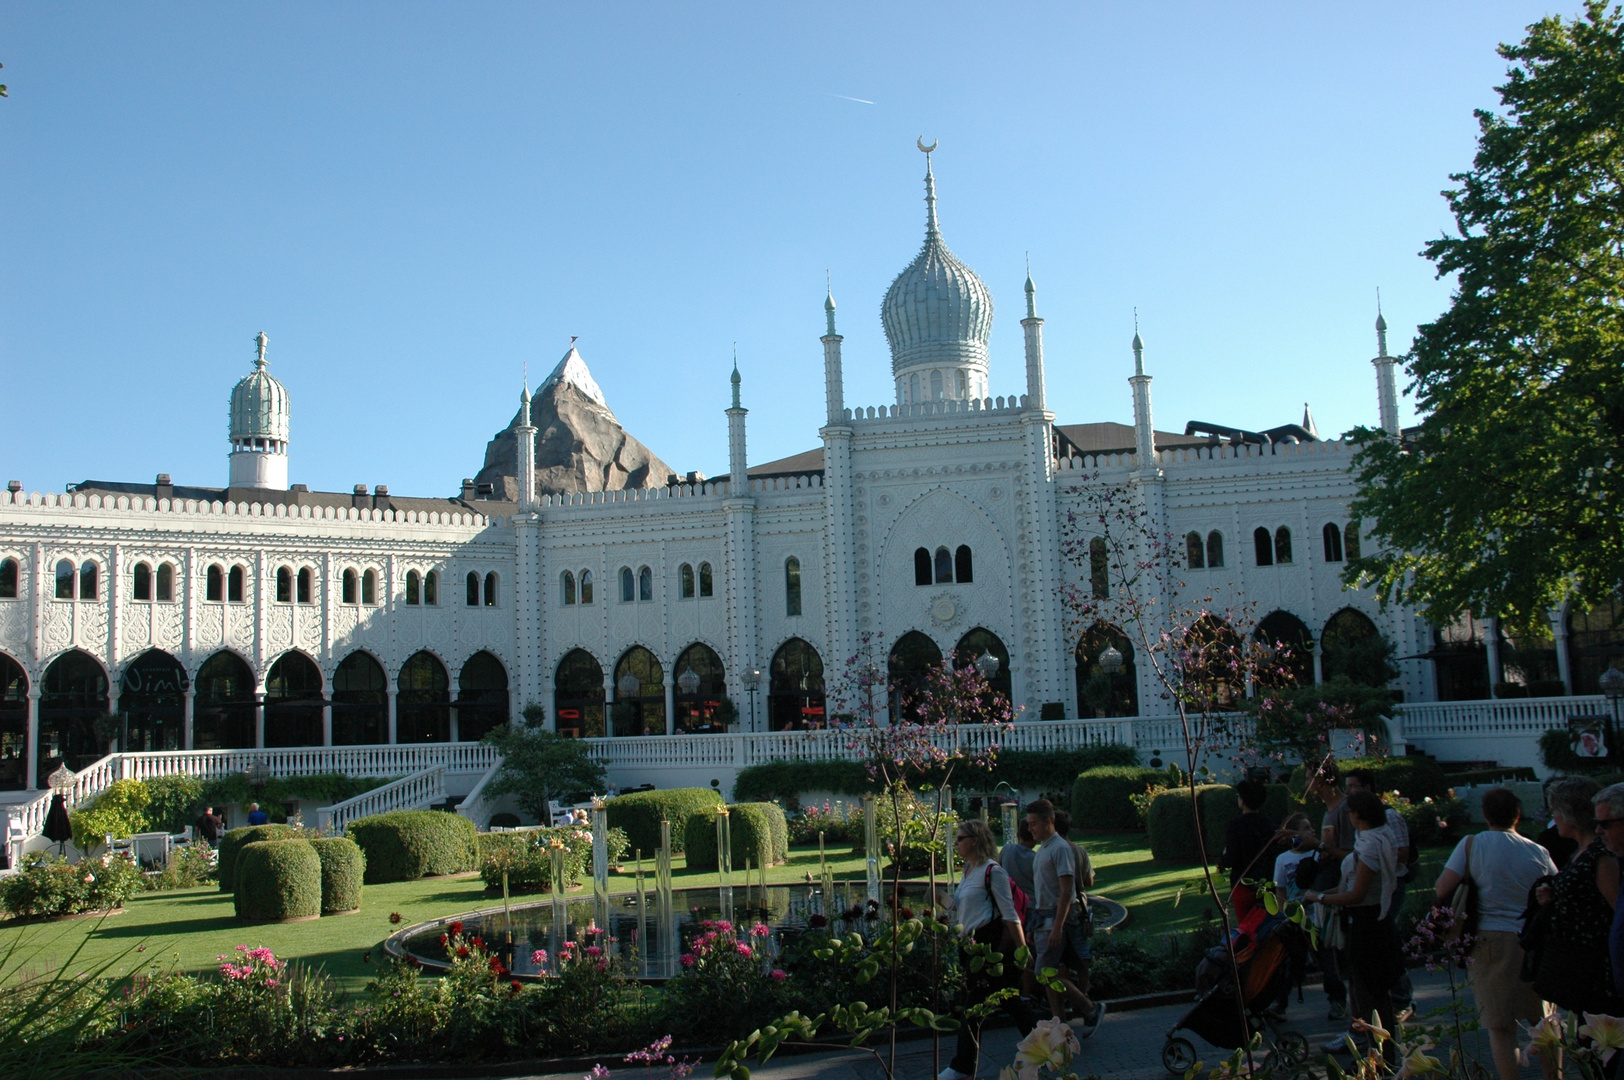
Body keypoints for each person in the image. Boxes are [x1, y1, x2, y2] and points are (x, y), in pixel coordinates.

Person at [1433, 787, 1558, 1080]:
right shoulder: (1537, 850)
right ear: (1517, 815)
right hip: (1531, 941)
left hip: (1488, 941)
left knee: (1501, 1028)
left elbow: (1442, 888)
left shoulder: (1471, 845)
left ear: (1485, 815)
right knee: (1545, 1023)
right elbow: (1555, 889)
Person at [1302, 789, 1404, 1061]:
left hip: (1368, 923)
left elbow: (1358, 893)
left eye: (1350, 811)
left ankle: (1382, 1057)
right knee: (1365, 994)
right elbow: (1349, 884)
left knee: (1372, 996)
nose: (1348, 815)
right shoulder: (1374, 837)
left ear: (1359, 815)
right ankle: (1374, 1054)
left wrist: (1321, 897)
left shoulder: (1372, 844)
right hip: (1367, 922)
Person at [937, 819, 1036, 1080]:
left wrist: (1023, 950)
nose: (956, 843)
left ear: (975, 840)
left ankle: (962, 1066)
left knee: (972, 1006)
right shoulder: (969, 870)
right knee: (1009, 1001)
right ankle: (1045, 1044)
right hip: (969, 947)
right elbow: (964, 908)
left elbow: (1010, 915)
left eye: (960, 839)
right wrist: (941, 901)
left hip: (987, 949)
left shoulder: (993, 871)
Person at [1533, 777, 1622, 1015]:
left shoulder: (1600, 855)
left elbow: (1617, 908)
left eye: (1556, 812)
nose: (1554, 819)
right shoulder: (1580, 852)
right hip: (1577, 965)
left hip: (1595, 967)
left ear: (1570, 813)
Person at [1025, 799, 1104, 1035]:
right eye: (1028, 824)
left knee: (1043, 973)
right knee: (1052, 971)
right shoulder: (1044, 848)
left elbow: (1067, 890)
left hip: (1054, 922)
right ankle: (1059, 1021)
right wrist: (1034, 924)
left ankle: (1089, 1007)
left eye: (1034, 824)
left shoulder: (1059, 849)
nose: (1030, 829)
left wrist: (1058, 927)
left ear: (1049, 822)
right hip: (1044, 920)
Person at [1305, 760, 1350, 1021]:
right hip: (1326, 886)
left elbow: (1351, 855)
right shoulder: (1328, 810)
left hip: (1339, 888)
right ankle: (1336, 997)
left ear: (1323, 780)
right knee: (1324, 943)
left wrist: (1321, 847)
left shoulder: (1343, 810)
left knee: (1337, 945)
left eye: (1310, 777)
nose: (1307, 784)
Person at [1217, 779, 1281, 917]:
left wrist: (1224, 856)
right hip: (1266, 882)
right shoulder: (1269, 824)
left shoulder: (1235, 826)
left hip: (1243, 883)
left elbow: (1231, 858)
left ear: (1243, 801)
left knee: (1246, 927)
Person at [998, 814, 1037, 899]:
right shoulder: (1036, 858)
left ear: (1018, 835)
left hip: (1009, 900)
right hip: (1030, 902)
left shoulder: (1007, 850)